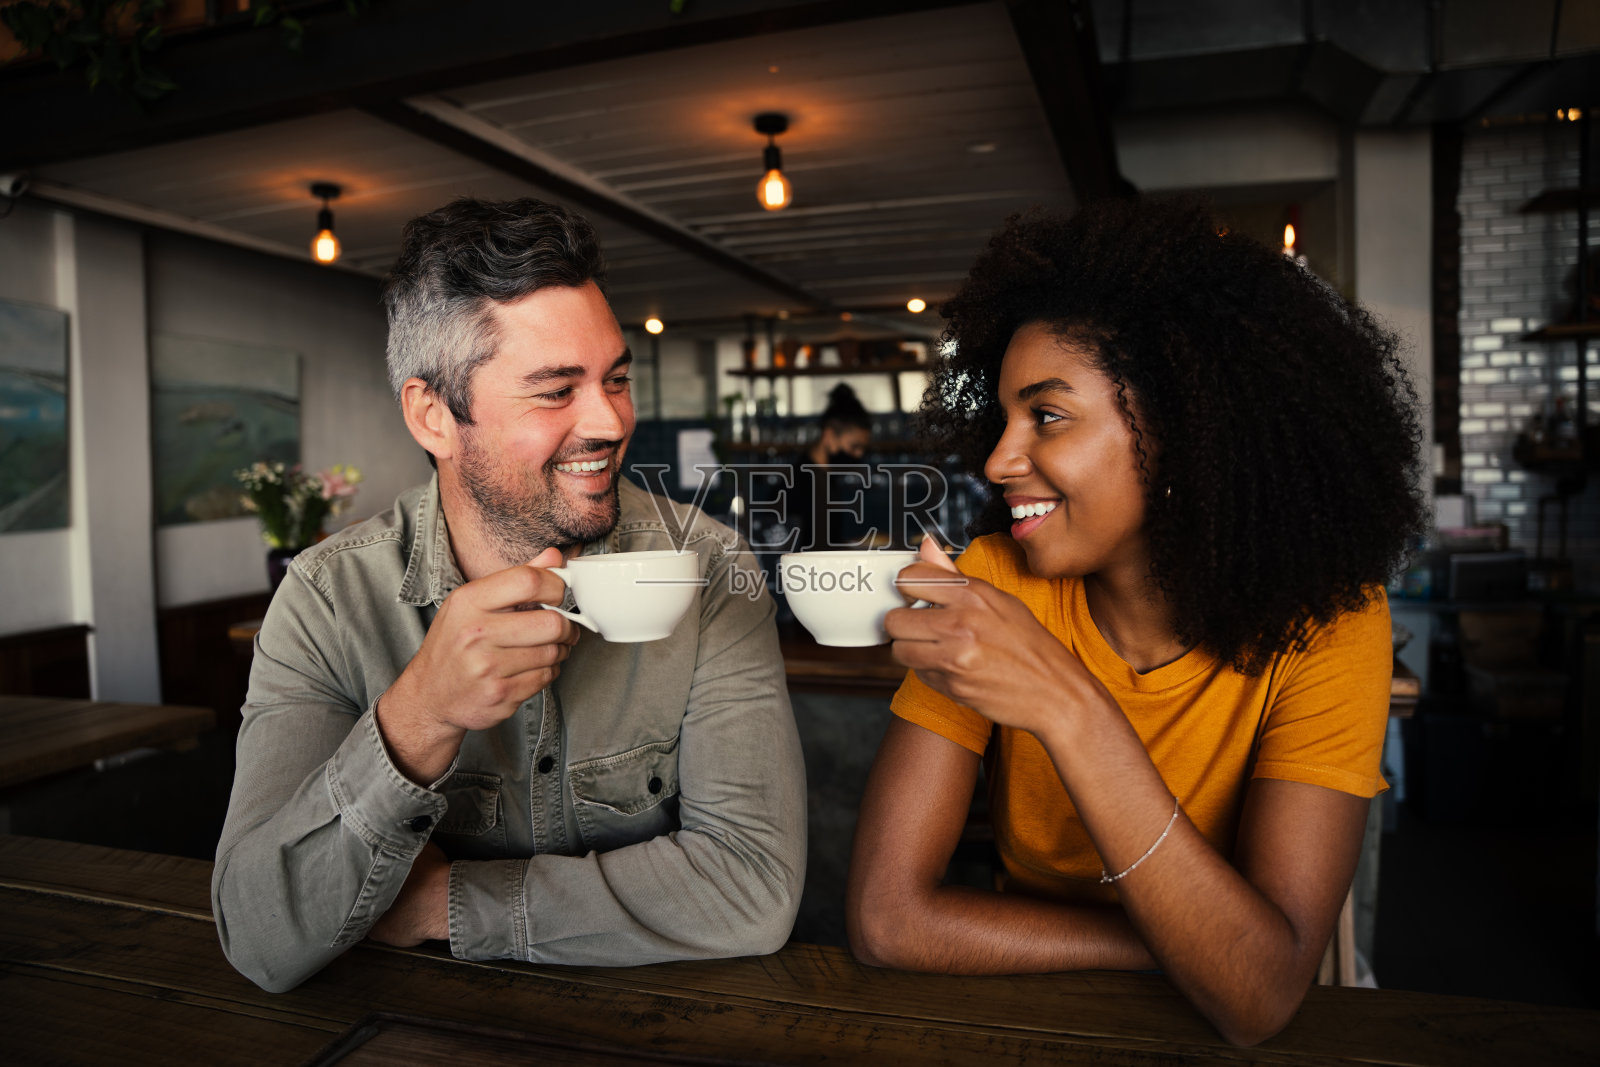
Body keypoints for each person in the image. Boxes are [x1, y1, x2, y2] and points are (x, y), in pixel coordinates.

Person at [845, 198, 1423, 1047]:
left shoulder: (1329, 619)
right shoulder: (999, 580)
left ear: (1185, 430)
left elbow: (1257, 997)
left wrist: (1066, 705)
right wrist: (1180, 945)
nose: (998, 460)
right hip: (1036, 1023)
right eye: (1002, 418)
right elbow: (887, 918)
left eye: (1045, 415)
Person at [213, 197, 806, 993]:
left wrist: (445, 904)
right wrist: (418, 716)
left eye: (617, 378)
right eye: (557, 389)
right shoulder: (326, 600)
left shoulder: (710, 569)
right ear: (433, 415)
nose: (610, 421)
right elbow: (260, 935)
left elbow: (752, 887)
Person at [780, 382, 873, 552]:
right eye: (854, 446)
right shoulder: (801, 483)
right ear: (829, 436)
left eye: (862, 449)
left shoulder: (825, 479)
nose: (859, 454)